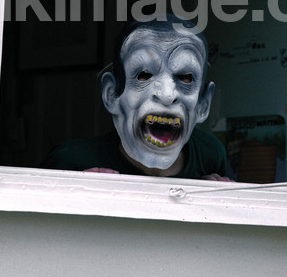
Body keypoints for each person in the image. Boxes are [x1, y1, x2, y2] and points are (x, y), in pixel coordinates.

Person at [44, 15, 229, 180]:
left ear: (203, 104)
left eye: (185, 78)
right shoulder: (69, 161)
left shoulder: (210, 155)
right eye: (144, 75)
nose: (167, 94)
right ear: (111, 94)